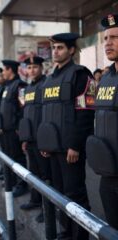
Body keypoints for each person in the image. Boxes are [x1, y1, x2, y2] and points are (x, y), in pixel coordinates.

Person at [37, 33, 95, 239]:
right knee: (60, 194)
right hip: (52, 148)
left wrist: (75, 145)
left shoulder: (80, 75)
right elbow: (45, 113)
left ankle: (80, 236)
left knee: (75, 194)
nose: (55, 52)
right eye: (54, 48)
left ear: (71, 50)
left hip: (70, 149)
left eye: (60, 48)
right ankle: (67, 232)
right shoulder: (50, 79)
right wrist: (44, 143)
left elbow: (86, 113)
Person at [86, 14, 118, 230]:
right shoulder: (105, 79)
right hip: (109, 175)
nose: (108, 42)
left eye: (114, 37)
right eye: (105, 38)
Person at [18, 56, 50, 223]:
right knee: (34, 172)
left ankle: (47, 208)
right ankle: (35, 200)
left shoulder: (46, 84)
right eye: (29, 68)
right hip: (30, 139)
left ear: (41, 68)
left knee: (46, 175)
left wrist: (45, 141)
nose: (32, 71)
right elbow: (26, 114)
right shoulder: (28, 88)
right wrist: (24, 138)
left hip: (41, 139)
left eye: (35, 67)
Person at [0, 59, 28, 197]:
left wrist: (19, 128)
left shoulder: (19, 86)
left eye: (4, 69)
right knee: (9, 157)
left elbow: (23, 108)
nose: (3, 72)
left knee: (18, 158)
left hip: (15, 130)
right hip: (6, 130)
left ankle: (22, 185)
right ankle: (12, 182)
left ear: (10, 70)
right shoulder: (8, 86)